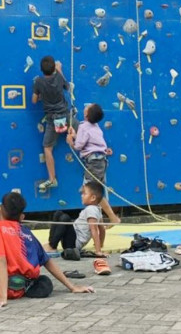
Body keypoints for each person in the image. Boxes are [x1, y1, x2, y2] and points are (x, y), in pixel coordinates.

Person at [66, 103, 120, 224]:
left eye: (88, 107)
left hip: (94, 163)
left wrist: (71, 141)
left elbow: (79, 146)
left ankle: (104, 219)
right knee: (96, 192)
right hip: (101, 162)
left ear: (86, 114)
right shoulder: (95, 127)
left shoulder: (84, 126)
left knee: (89, 191)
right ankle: (106, 219)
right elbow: (90, 140)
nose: (86, 106)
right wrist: (75, 135)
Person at [32, 56, 75, 193]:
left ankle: (52, 178)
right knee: (82, 131)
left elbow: (34, 100)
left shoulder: (38, 81)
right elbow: (67, 86)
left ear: (41, 69)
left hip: (52, 119)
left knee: (47, 148)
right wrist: (60, 69)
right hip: (65, 115)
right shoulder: (58, 77)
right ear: (54, 69)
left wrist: (40, 95)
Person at [45, 181, 107, 258]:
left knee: (65, 218)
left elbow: (94, 230)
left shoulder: (91, 209)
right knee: (59, 214)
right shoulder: (97, 209)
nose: (82, 196)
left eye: (84, 194)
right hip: (71, 239)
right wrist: (101, 244)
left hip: (73, 244)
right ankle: (51, 243)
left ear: (93, 198)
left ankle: (52, 246)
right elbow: (102, 229)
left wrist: (98, 251)